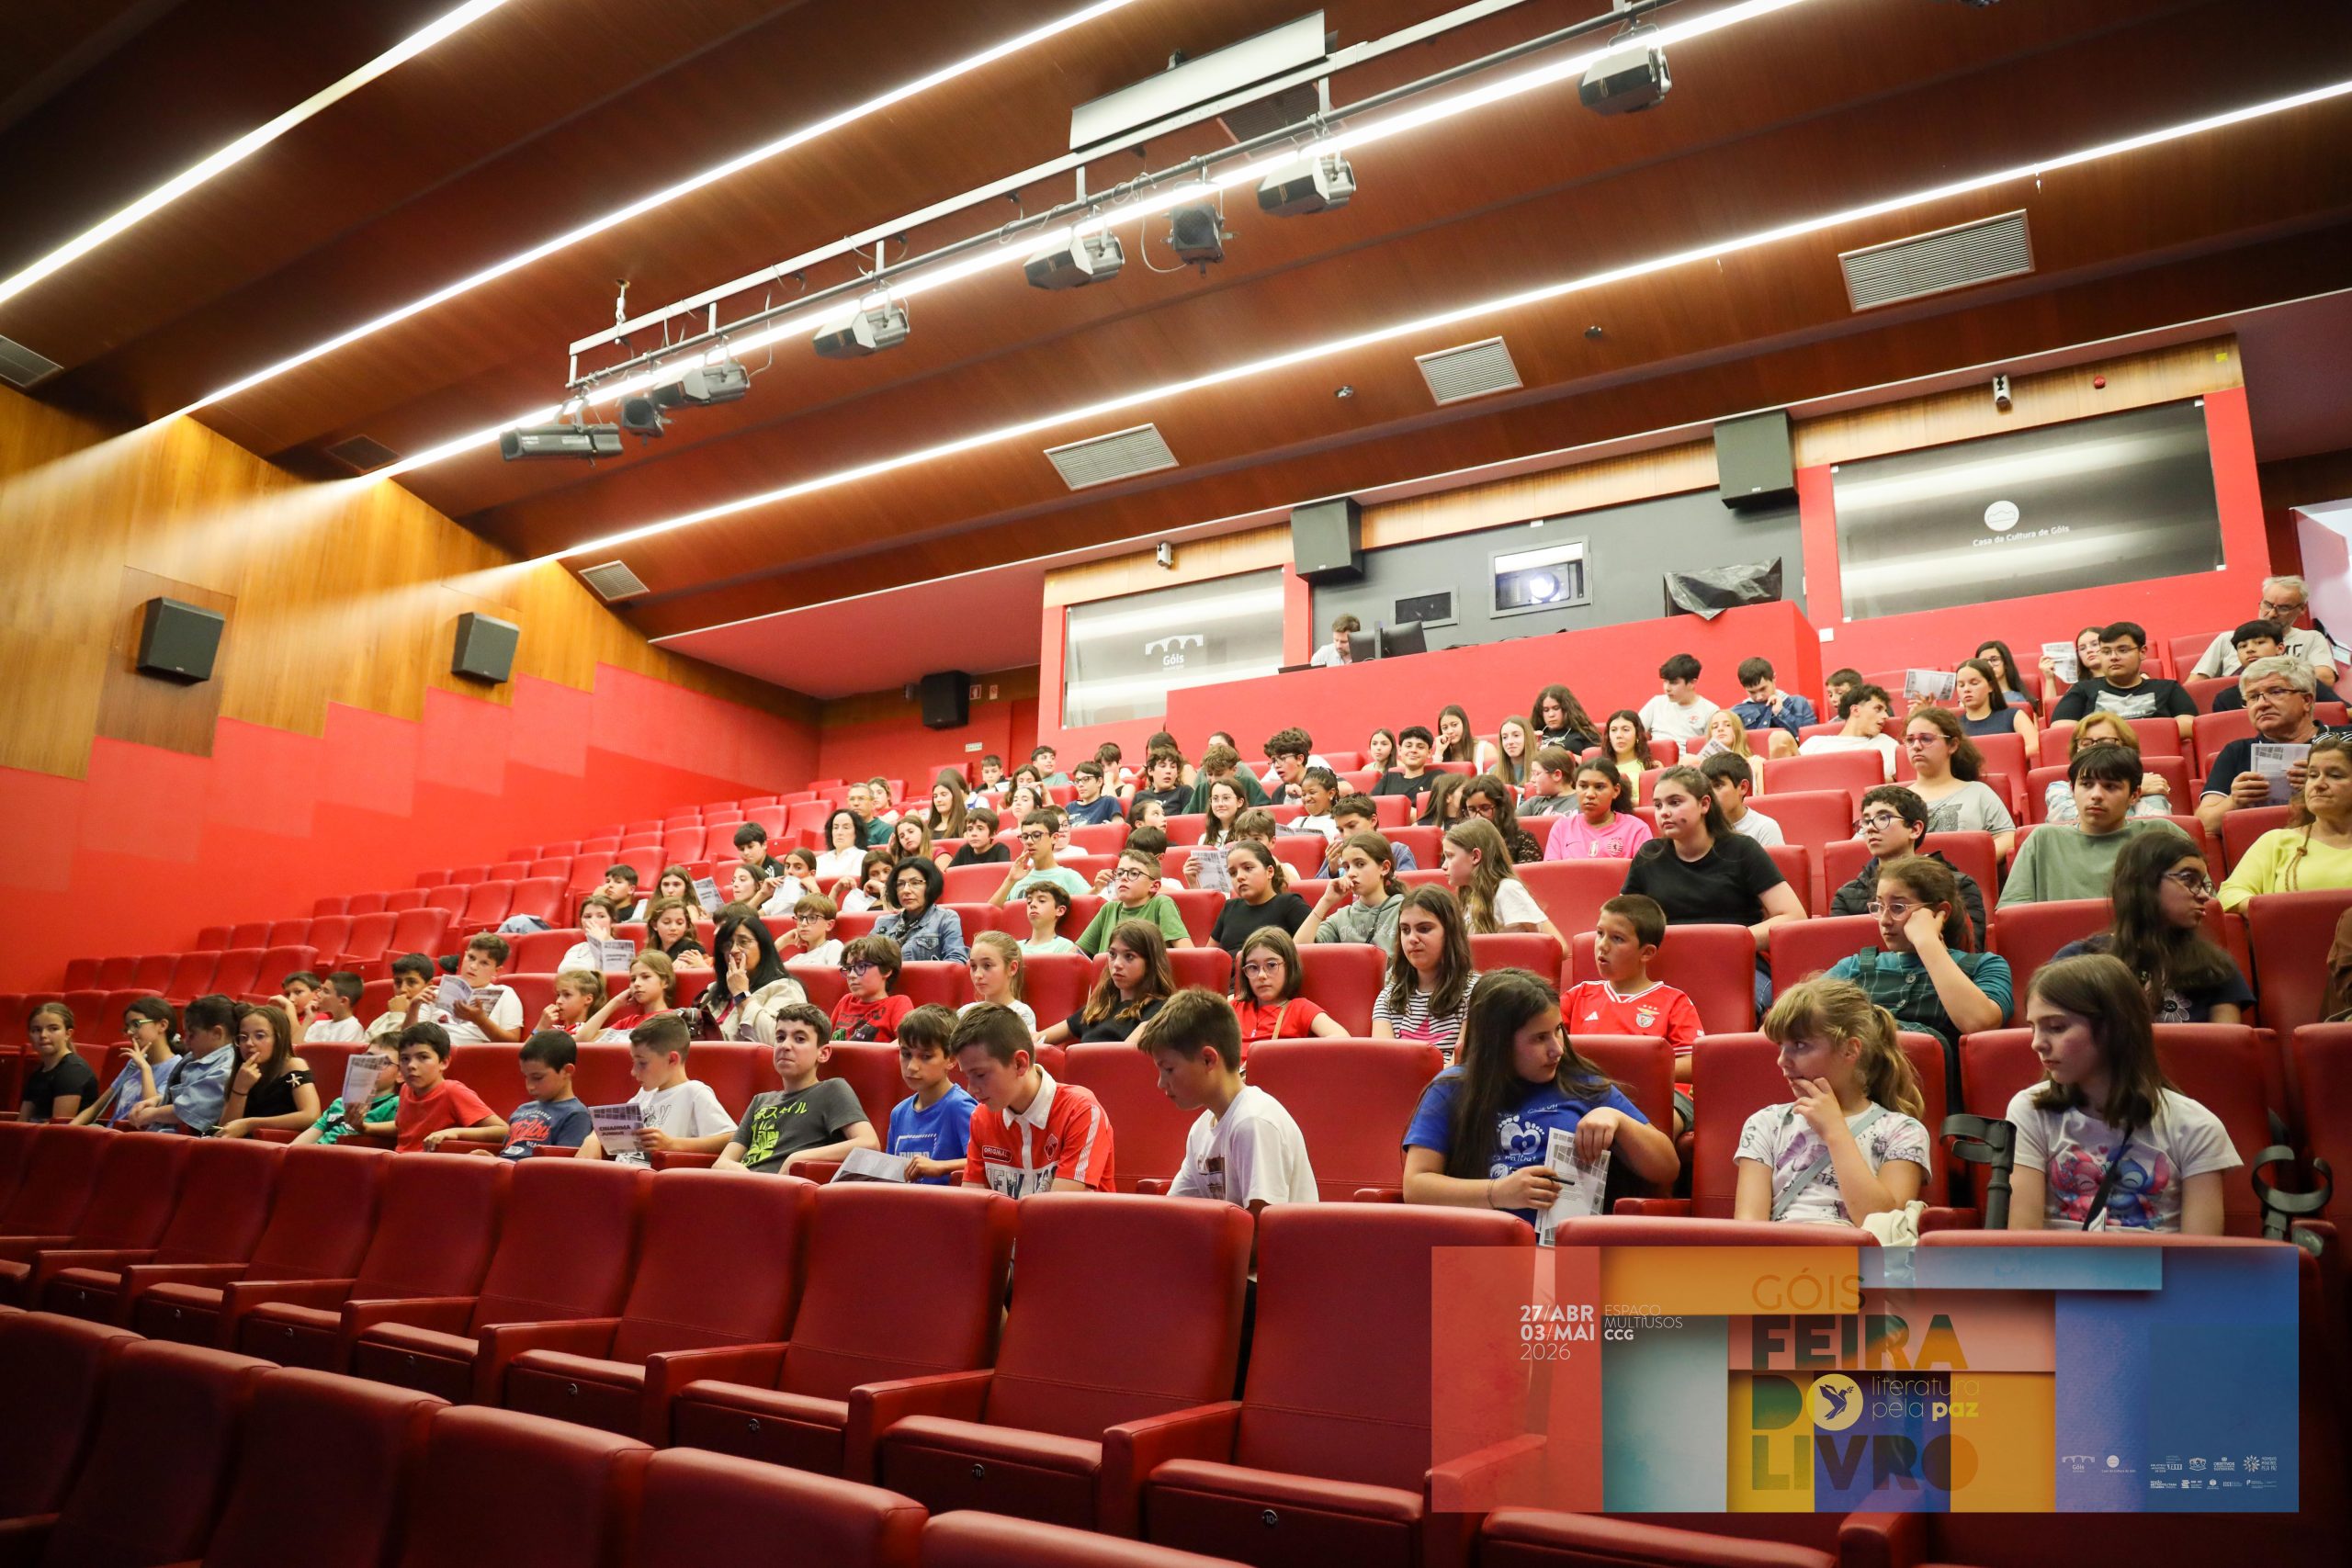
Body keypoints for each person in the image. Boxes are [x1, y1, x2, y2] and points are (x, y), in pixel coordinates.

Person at [1402, 970, 1678, 1226]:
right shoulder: (1451, 1088)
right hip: (1478, 1247)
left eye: (1558, 1030)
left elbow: (1666, 1169)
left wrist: (1618, 1121)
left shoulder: (1582, 1085)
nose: (1557, 1049)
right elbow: (1416, 1187)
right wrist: (1498, 1192)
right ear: (1497, 1044)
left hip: (1569, 1249)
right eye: (1539, 1038)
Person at [2005, 954, 2237, 1234]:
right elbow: (2023, 1243)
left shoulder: (2197, 1127)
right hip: (2057, 1272)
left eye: (2056, 1027)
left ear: (2115, 1028)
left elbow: (2203, 1261)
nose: (2037, 1044)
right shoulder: (2030, 1110)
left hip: (2157, 1274)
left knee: (2285, 1272)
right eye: (2033, 1027)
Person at [1733, 978, 1931, 1227]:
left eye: (1800, 1045)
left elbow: (1882, 1225)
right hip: (1777, 1261)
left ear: (1850, 1050)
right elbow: (1748, 1232)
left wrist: (1835, 1131)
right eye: (1781, 1047)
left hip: (1860, 1262)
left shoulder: (1902, 1131)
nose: (1782, 1061)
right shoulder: (1765, 1123)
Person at [1823, 855, 2010, 1100]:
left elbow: (1979, 1022)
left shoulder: (1984, 965)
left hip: (1939, 1103)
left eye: (1898, 908)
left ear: (1939, 913)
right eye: (1879, 907)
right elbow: (1791, 1018)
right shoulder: (1855, 967)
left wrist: (1926, 942)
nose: (1885, 920)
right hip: (1860, 1099)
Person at [1622, 766, 1804, 1011]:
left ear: (1704, 804)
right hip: (1669, 964)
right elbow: (1622, 922)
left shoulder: (1742, 850)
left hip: (1735, 963)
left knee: (1722, 1008)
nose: (1664, 812)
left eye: (1675, 802)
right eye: (1658, 805)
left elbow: (1793, 916)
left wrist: (1726, 942)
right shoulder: (1648, 856)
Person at [1141, 989, 1319, 1210]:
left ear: (1208, 1060)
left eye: (1168, 1069)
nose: (1161, 1083)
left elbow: (1262, 1230)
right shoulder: (1201, 1130)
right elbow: (1173, 1215)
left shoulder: (1253, 1121)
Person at [2055, 832, 2249, 1024]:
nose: (2205, 896)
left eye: (2204, 884)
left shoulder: (2216, 968)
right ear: (2144, 882)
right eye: (2189, 880)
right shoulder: (2076, 961)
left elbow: (2227, 1049)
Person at [1998, 745, 2197, 908]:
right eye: (2086, 784)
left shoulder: (2163, 835)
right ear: (2072, 790)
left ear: (2134, 795)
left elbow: (2199, 901)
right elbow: (2014, 913)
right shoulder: (2042, 839)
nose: (2096, 795)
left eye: (2110, 786)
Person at [955, 1002, 1116, 1195]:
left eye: (980, 1075)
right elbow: (973, 1208)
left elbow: (1059, 1214)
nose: (971, 1090)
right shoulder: (981, 1117)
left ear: (1019, 1063)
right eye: (966, 1076)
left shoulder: (1081, 1111)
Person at [1560, 897, 1701, 1111]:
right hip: (1587, 1092)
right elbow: (1546, 1041)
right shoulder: (1578, 995)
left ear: (1646, 953)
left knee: (1645, 1125)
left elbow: (1695, 1063)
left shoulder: (1674, 1001)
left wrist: (1635, 1071)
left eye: (1617, 938)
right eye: (1600, 933)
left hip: (1658, 1094)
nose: (1603, 946)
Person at [714, 1004, 880, 1177]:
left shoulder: (832, 1090)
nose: (785, 1046)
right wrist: (744, 1174)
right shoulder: (760, 1101)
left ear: (823, 1053)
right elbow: (722, 1162)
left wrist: (797, 1158)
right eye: (780, 1037)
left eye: (799, 1039)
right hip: (746, 1185)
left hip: (786, 1191)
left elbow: (869, 1143)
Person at [1826, 784, 1989, 946]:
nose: (1870, 828)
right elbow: (1840, 959)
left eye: (1883, 818)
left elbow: (1971, 953)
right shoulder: (1846, 896)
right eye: (1866, 821)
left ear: (1915, 829)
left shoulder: (1958, 885)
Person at [2199, 657, 2342, 836]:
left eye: (2275, 692)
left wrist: (2326, 782)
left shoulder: (2345, 739)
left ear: (2307, 700)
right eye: (2252, 697)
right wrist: (2235, 801)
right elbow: (2205, 824)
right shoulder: (2237, 752)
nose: (2262, 704)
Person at [2220, 734, 2352, 907]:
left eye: (2335, 775)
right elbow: (2230, 894)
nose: (2318, 784)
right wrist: (2282, 912)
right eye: (2313, 775)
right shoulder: (2276, 841)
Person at [426, 1032, 591, 1158]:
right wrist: (491, 1158)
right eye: (526, 1077)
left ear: (567, 1071)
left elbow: (561, 1170)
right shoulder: (522, 1110)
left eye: (538, 1077)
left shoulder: (576, 1114)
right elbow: (509, 1154)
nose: (530, 1086)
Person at [1371, 886, 1482, 1063]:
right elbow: (1384, 1064)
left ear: (1450, 933)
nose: (1412, 939)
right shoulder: (1388, 997)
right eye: (1405, 930)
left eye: (1424, 929)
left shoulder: (1477, 992)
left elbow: (1462, 1065)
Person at [1899, 706, 2017, 862]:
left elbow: (2008, 837)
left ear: (1953, 745)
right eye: (1910, 740)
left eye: (1926, 739)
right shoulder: (1897, 800)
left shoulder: (1978, 792)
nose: (1916, 746)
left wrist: (1970, 862)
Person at [2051, 621, 2196, 741]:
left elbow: (2190, 725)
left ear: (2142, 652)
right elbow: (2060, 732)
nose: (2113, 657)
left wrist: (2109, 734)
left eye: (2123, 650)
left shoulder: (2168, 688)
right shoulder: (2082, 690)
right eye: (2106, 652)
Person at [1039, 920, 1174, 1044]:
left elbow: (1124, 1056)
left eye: (1129, 956)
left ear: (1150, 963)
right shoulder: (1098, 1009)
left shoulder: (1159, 1009)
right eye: (1112, 954)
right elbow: (1039, 1039)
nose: (1117, 964)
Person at [2189, 575, 2338, 682]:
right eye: (2267, 605)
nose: (2272, 614)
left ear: (2302, 609)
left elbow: (2325, 679)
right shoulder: (2227, 639)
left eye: (2283, 608)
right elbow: (2194, 686)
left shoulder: (2311, 638)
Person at [383, 1022, 504, 1154]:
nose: (411, 1065)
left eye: (423, 1057)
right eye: (405, 1058)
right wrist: (364, 1127)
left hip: (430, 1167)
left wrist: (454, 1132)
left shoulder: (453, 1091)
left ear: (444, 1062)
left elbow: (503, 1130)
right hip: (400, 1163)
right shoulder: (406, 1088)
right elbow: (403, 1129)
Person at [127, 994, 236, 1134]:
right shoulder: (193, 1056)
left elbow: (188, 1109)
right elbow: (185, 1094)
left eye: (192, 1035)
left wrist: (153, 1113)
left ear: (216, 1033)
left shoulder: (227, 1068)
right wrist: (158, 1100)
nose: (186, 1041)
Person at [691, 913, 808, 1043]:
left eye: (743, 942)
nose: (734, 950)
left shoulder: (786, 989)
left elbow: (777, 1040)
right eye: (728, 944)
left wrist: (741, 994)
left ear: (763, 947)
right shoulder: (714, 990)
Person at [1443, 819, 1562, 943]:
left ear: (1475, 857)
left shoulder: (1507, 889)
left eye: (1450, 856)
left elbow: (1557, 946)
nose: (1444, 866)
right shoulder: (1467, 896)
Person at [1229, 928, 1349, 1050]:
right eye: (1253, 967)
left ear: (1289, 967)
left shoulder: (1300, 1008)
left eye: (1271, 965)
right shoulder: (1233, 1008)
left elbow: (1342, 1038)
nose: (1261, 975)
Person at [2044, 712, 2173, 824]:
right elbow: (2077, 826)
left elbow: (2153, 840)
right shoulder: (2059, 790)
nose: (2094, 749)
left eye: (2105, 742)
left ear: (2127, 747)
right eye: (2086, 743)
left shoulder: (2152, 787)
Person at [214, 1003, 319, 1139]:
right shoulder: (242, 1071)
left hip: (275, 1146)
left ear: (278, 1039)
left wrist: (250, 1124)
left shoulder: (293, 1065)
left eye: (259, 1036)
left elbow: (311, 1116)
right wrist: (240, 1089)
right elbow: (224, 1130)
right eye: (243, 1037)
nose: (249, 1043)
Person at [76, 998, 180, 1128]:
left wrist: (145, 1069)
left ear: (162, 1025)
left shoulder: (177, 1067)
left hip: (135, 1139)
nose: (130, 1032)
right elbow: (96, 1108)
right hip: (111, 1134)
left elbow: (148, 1115)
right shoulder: (133, 1063)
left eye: (136, 1024)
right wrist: (67, 1131)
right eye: (127, 1027)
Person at [1298, 830, 1406, 953]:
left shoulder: (1404, 909)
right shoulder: (1342, 917)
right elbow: (1300, 952)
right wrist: (1325, 902)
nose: (1350, 873)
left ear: (1384, 868)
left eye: (1360, 864)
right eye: (1347, 867)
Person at [1077, 847, 1193, 954]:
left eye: (1134, 873)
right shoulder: (1108, 909)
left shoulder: (1161, 904)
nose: (1123, 878)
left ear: (1154, 886)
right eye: (1120, 873)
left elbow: (1187, 954)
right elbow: (1076, 954)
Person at [419, 934, 524, 1044]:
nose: (473, 966)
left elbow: (512, 1042)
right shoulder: (436, 992)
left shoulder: (506, 994)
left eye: (484, 963)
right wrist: (413, 1007)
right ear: (464, 956)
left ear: (496, 970)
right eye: (471, 958)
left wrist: (481, 1021)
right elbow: (412, 1038)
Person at [2211, 625, 2344, 710]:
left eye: (2260, 643)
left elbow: (2342, 712)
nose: (2250, 650)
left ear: (2280, 648)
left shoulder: (2306, 683)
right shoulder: (2225, 699)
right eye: (2242, 646)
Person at [1210, 839, 1309, 953]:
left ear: (1270, 872)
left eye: (1248, 868)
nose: (1239, 877)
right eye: (1233, 873)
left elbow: (1311, 953)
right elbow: (1211, 958)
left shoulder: (1290, 904)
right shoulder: (1229, 907)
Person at [289, 1044, 400, 1147]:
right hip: (316, 1156)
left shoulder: (397, 1103)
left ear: (401, 1074)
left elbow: (402, 1128)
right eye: (368, 1058)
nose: (373, 1066)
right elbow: (302, 1142)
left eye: (384, 1062)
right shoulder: (339, 1103)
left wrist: (364, 1127)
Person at [1544, 761, 1654, 861]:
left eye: (1599, 787)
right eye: (1583, 786)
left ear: (1615, 791)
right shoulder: (1561, 828)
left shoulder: (1636, 829)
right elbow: (1551, 876)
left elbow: (1644, 878)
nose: (1590, 794)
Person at [873, 856, 968, 965]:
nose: (906, 890)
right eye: (900, 884)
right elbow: (863, 959)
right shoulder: (883, 923)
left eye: (915, 883)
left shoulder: (946, 918)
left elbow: (957, 962)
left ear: (930, 885)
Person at [988, 809, 1092, 906]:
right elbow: (991, 913)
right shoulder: (1017, 878)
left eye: (1036, 835)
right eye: (1025, 837)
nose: (1029, 841)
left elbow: (1091, 911)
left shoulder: (1068, 877)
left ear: (1054, 838)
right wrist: (1010, 880)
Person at [1799, 683, 1898, 781]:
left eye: (1885, 710)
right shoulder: (1814, 743)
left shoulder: (1887, 743)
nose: (1886, 716)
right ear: (1855, 710)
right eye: (1878, 709)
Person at [18, 1002, 96, 1123]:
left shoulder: (73, 1070)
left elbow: (58, 1127)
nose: (43, 1035)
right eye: (36, 1030)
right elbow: (22, 1120)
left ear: (68, 1034)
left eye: (53, 1029)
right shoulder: (38, 1073)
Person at [1951, 657, 2040, 759]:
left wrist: (2000, 758)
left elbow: (2036, 746)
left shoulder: (2013, 716)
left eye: (1974, 683)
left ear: (1991, 686)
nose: (1966, 689)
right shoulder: (1954, 726)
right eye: (1961, 685)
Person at [832, 935, 915, 1043]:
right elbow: (824, 1041)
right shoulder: (846, 1001)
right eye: (849, 968)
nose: (851, 975)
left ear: (886, 970)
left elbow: (908, 1042)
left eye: (861, 967)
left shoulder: (897, 1003)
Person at [1728, 657, 1816, 757]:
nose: (1759, 697)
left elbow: (1811, 742)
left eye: (1763, 689)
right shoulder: (1737, 712)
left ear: (1774, 678)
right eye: (1752, 692)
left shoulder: (1799, 703)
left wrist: (1781, 712)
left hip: (1792, 761)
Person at [582, 951, 678, 1042]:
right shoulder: (628, 1022)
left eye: (645, 977)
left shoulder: (675, 1018)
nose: (637, 983)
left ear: (666, 982)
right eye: (633, 979)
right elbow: (582, 1039)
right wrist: (616, 1001)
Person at [1697, 750, 1783, 847]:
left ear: (1743, 787)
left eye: (1718, 785)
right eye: (1707, 787)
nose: (1710, 793)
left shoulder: (1764, 828)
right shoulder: (1700, 827)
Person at [1637, 653, 1720, 748]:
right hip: (1655, 760)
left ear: (1692, 683)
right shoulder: (1656, 703)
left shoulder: (1710, 710)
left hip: (1690, 761)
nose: (1667, 688)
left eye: (1674, 683)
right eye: (1665, 681)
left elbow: (1711, 749)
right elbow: (1634, 733)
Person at [1324, 795, 1419, 876]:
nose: (1346, 835)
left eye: (1352, 826)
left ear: (1373, 820)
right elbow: (1316, 890)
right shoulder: (1335, 854)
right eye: (1341, 830)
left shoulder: (1396, 851)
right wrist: (1332, 871)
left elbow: (1408, 888)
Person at [965, 931, 1038, 1035]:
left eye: (987, 965)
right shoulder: (965, 1012)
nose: (977, 975)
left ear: (1012, 968)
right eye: (973, 966)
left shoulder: (1021, 1014)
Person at [1459, 775, 1542, 863]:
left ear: (1501, 808)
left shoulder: (1523, 841)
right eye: (1471, 810)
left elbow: (1529, 875)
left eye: (1485, 808)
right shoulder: (1459, 843)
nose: (1478, 817)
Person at [366, 953, 438, 1042]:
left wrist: (398, 1014)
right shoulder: (383, 1019)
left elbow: (400, 1050)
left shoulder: (433, 1016)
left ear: (428, 986)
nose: (403, 989)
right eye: (398, 982)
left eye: (411, 982)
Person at [2037, 626, 2107, 714]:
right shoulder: (2078, 687)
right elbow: (2052, 714)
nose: (2089, 650)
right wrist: (2050, 679)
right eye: (2082, 648)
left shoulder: (2123, 679)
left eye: (2095, 644)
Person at [1373, 725, 1439, 817]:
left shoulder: (1437, 778)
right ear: (1399, 750)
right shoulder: (1390, 777)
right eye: (1408, 746)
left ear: (1429, 752)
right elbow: (1369, 806)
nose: (1413, 750)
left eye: (1420, 747)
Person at [556, 896, 628, 976]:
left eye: (601, 916)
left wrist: (602, 942)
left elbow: (616, 981)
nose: (593, 921)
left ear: (612, 922)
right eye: (587, 916)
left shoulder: (621, 950)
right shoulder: (576, 949)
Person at [1260, 728, 1337, 801]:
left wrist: (1304, 795)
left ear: (1299, 759)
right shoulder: (1278, 794)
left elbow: (1346, 791)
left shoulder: (1322, 777)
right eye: (1274, 760)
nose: (1276, 765)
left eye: (1282, 758)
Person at [1531, 683, 1602, 755]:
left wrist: (1566, 756)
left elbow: (1594, 763)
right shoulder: (1535, 735)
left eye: (1556, 708)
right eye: (1546, 710)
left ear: (1567, 709)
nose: (1551, 715)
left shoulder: (1585, 734)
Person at [1601, 710, 1657, 802]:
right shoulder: (1601, 768)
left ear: (1637, 735)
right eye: (1614, 730)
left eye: (1626, 730)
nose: (1619, 735)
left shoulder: (1651, 767)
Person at [1702, 711, 1763, 787]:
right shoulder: (1702, 769)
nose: (1720, 729)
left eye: (1727, 725)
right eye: (1715, 727)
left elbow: (1762, 798)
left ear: (1737, 731)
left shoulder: (1755, 763)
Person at [535, 970, 603, 1037]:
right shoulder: (553, 1029)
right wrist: (540, 1027)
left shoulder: (585, 1032)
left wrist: (541, 1027)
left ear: (588, 999)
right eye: (558, 995)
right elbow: (526, 1048)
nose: (558, 1001)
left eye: (567, 995)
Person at [1970, 640, 2036, 709]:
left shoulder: (2021, 699)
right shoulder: (1974, 699)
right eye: (1984, 662)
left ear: (2006, 663)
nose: (1989, 665)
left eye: (1994, 660)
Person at [304, 973, 368, 1043]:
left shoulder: (352, 1028)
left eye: (326, 991)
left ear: (343, 1001)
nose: (318, 994)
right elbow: (293, 1050)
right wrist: (308, 1019)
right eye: (321, 989)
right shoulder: (318, 1025)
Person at [1018, 882, 1080, 956]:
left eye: (1042, 900)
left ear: (1060, 910)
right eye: (1029, 901)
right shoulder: (1015, 948)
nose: (1032, 904)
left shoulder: (1064, 947)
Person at [642, 897, 707, 967]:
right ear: (654, 925)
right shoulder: (651, 949)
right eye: (666, 922)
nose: (673, 928)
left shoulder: (692, 948)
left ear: (687, 926)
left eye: (679, 923)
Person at [733, 822, 799, 888]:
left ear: (764, 845)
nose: (746, 853)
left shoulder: (777, 872)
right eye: (741, 849)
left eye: (750, 847)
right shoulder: (743, 874)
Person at [1130, 750, 1193, 817]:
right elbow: (1131, 825)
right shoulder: (1140, 796)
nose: (1168, 771)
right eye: (1163, 766)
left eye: (1173, 767)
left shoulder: (1185, 792)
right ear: (1150, 770)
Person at [1061, 762, 1121, 827]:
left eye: (1086, 779)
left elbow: (1119, 826)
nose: (1080, 784)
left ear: (1099, 782)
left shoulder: (1108, 802)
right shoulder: (1070, 807)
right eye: (1077, 781)